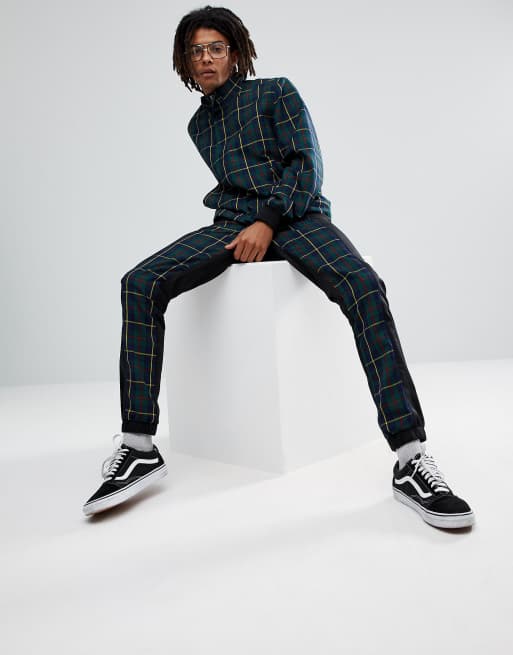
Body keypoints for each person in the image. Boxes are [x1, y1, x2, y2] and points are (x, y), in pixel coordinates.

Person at [83, 5, 474, 529]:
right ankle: (138, 448)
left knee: (363, 285)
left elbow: (306, 163)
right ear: (184, 61)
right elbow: (234, 185)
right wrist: (245, 223)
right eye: (196, 51)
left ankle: (410, 459)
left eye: (216, 48)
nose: (206, 58)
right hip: (232, 224)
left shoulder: (275, 92)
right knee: (139, 282)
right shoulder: (199, 125)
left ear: (236, 53)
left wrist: (268, 221)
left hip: (297, 216)